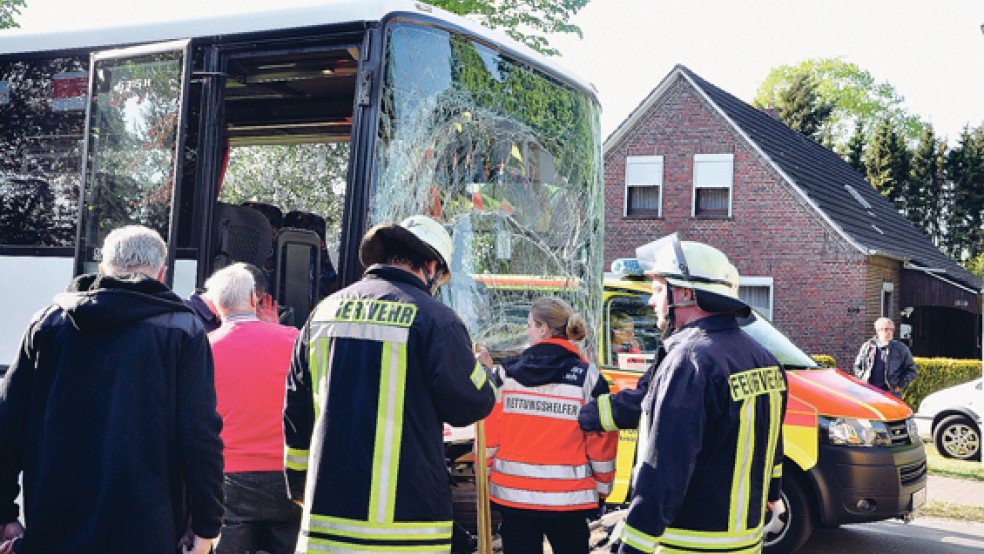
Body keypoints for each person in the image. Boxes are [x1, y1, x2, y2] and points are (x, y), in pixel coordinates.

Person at [0, 225, 223, 554]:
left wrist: (5, 513)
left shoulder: (47, 324)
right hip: (149, 531)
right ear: (161, 274)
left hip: (53, 527)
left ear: (102, 269)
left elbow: (8, 425)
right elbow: (199, 435)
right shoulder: (183, 330)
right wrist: (206, 525)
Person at [283, 215, 497, 553]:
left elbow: (296, 411)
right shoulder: (436, 319)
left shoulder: (322, 313)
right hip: (409, 531)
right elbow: (471, 404)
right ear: (431, 266)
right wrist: (484, 372)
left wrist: (299, 484)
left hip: (327, 524)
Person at [611, 235, 787, 554]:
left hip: (686, 543)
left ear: (685, 293)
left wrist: (633, 545)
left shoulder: (688, 361)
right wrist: (772, 492)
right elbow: (773, 446)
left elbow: (665, 465)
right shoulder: (765, 359)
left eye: (657, 289)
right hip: (746, 542)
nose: (651, 302)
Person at [481, 297, 618, 554]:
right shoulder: (588, 379)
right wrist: (602, 490)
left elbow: (489, 436)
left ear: (543, 329)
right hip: (570, 501)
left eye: (529, 325)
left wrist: (485, 476)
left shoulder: (505, 376)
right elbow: (602, 442)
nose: (527, 332)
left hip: (514, 497)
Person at [206, 263, 301, 554]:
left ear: (214, 305)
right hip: (285, 475)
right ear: (253, 299)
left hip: (229, 477)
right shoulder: (293, 339)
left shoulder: (204, 348)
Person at [852, 317, 918, 398]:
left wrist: (899, 384)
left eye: (891, 330)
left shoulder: (901, 348)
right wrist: (863, 379)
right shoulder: (867, 347)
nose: (889, 332)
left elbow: (912, 370)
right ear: (877, 331)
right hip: (869, 392)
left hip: (891, 393)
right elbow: (857, 366)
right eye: (886, 329)